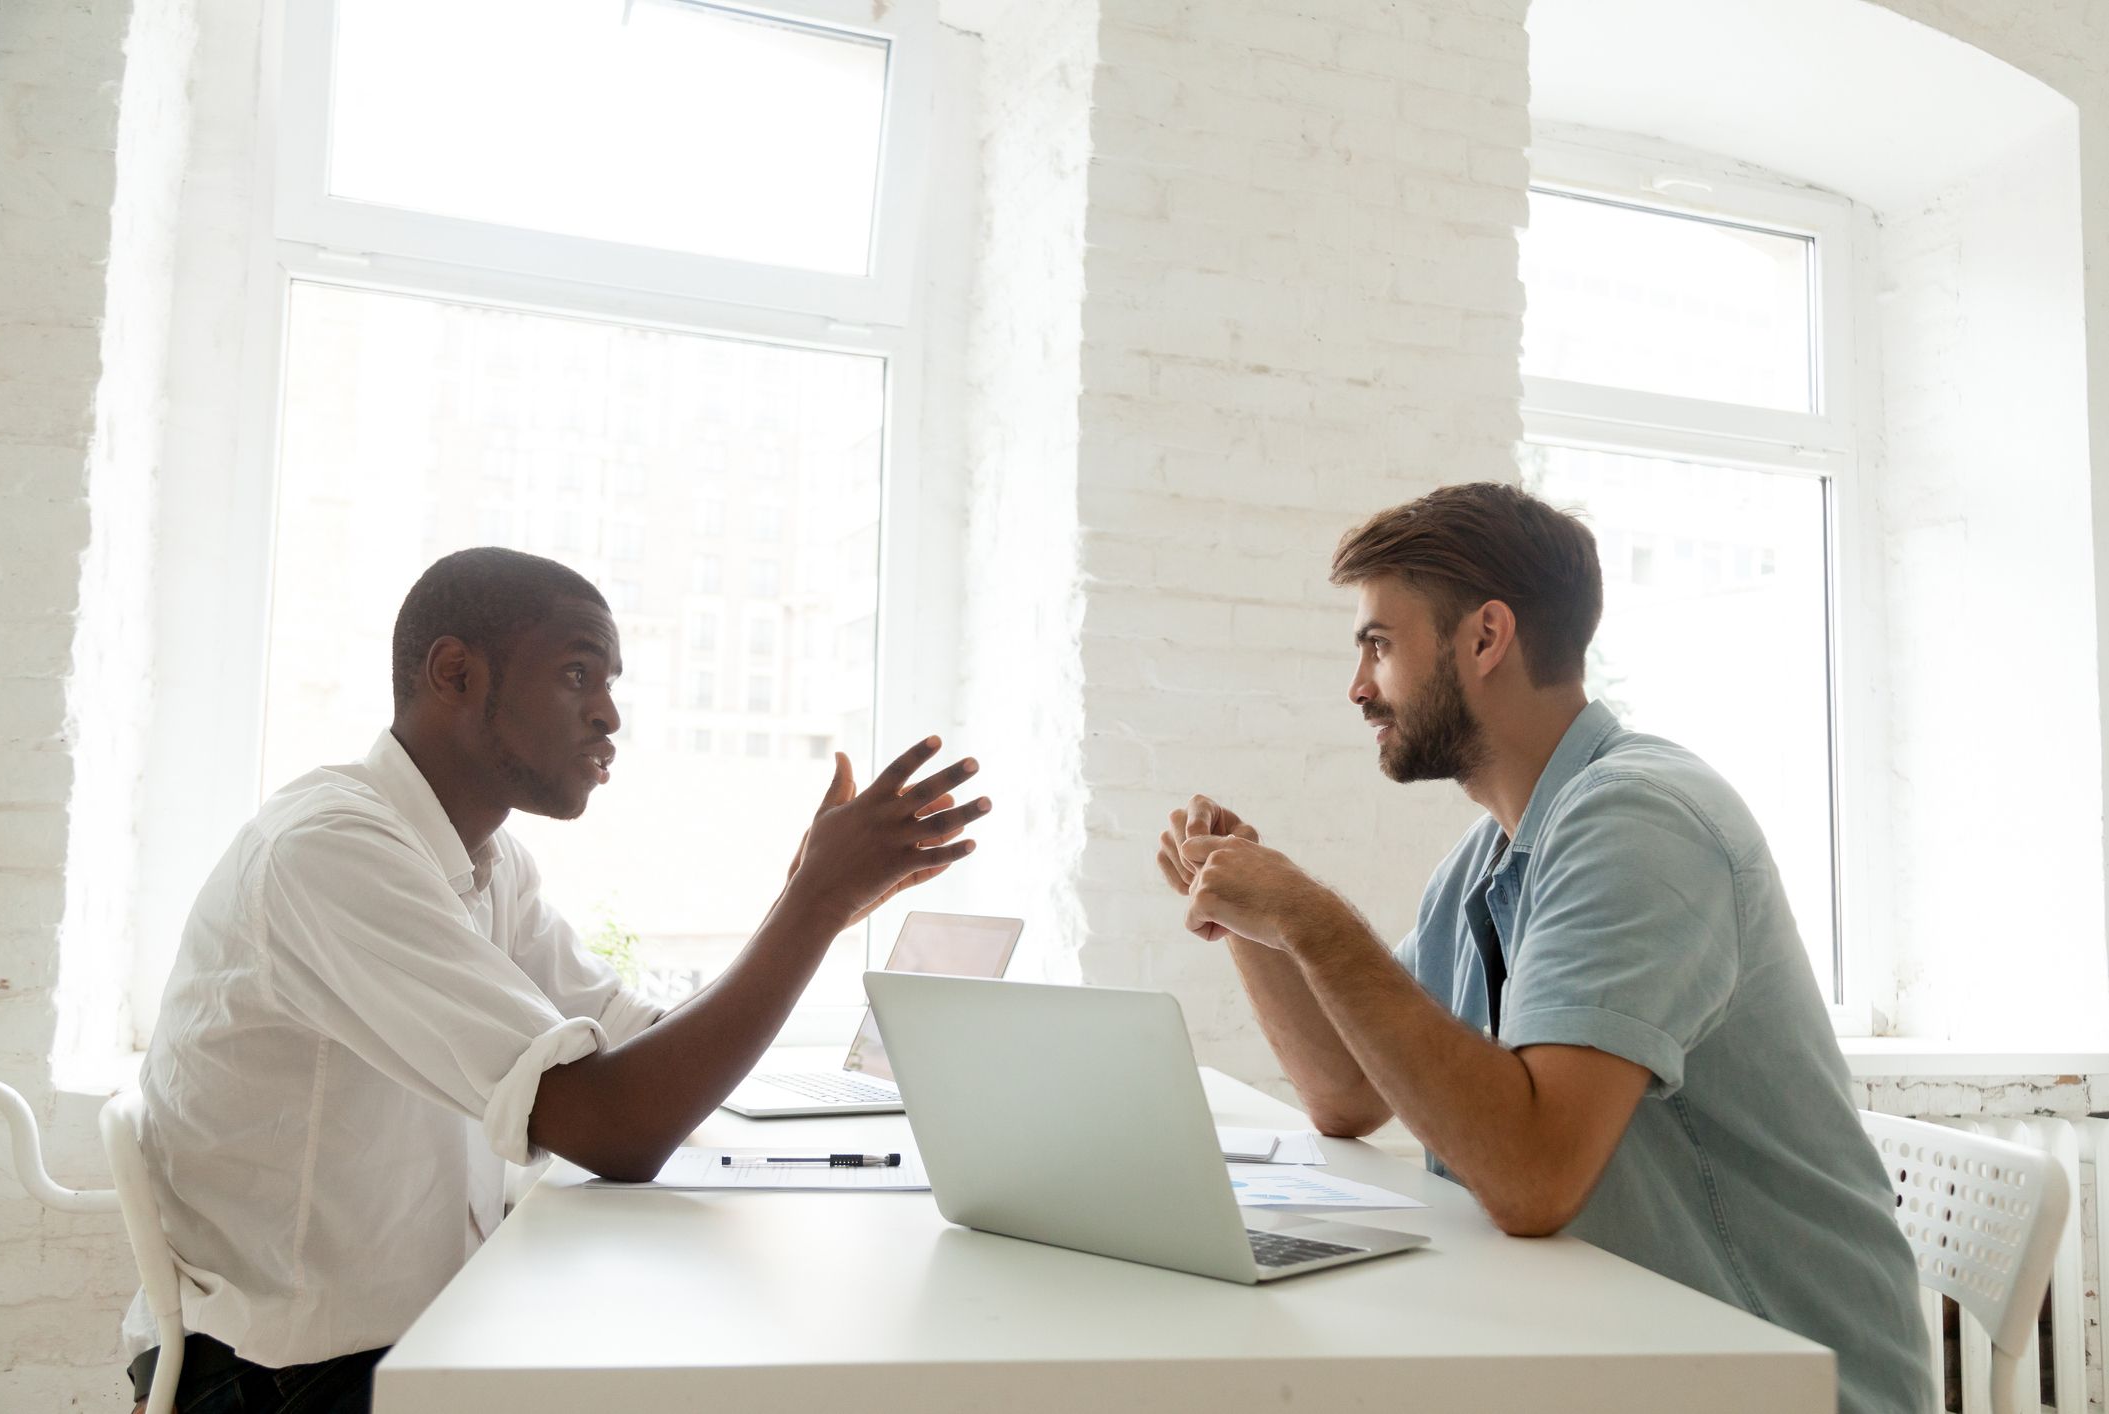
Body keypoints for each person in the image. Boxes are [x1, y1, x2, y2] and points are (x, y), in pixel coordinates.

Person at [126, 547, 990, 1413]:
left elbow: (636, 1047)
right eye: (578, 673)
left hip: (415, 1340)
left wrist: (812, 909)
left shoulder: (486, 861)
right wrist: (813, 903)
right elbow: (616, 1128)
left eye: (611, 682)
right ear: (455, 674)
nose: (609, 714)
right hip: (283, 1385)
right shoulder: (329, 852)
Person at [1156, 483, 1928, 1414]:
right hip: (1616, 1351)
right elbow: (1346, 1094)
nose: (1357, 688)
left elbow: (1532, 1178)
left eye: (1378, 644)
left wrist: (1309, 917)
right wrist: (1256, 916)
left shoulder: (1640, 823)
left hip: (1779, 1382)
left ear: (1485, 638)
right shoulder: (1496, 852)